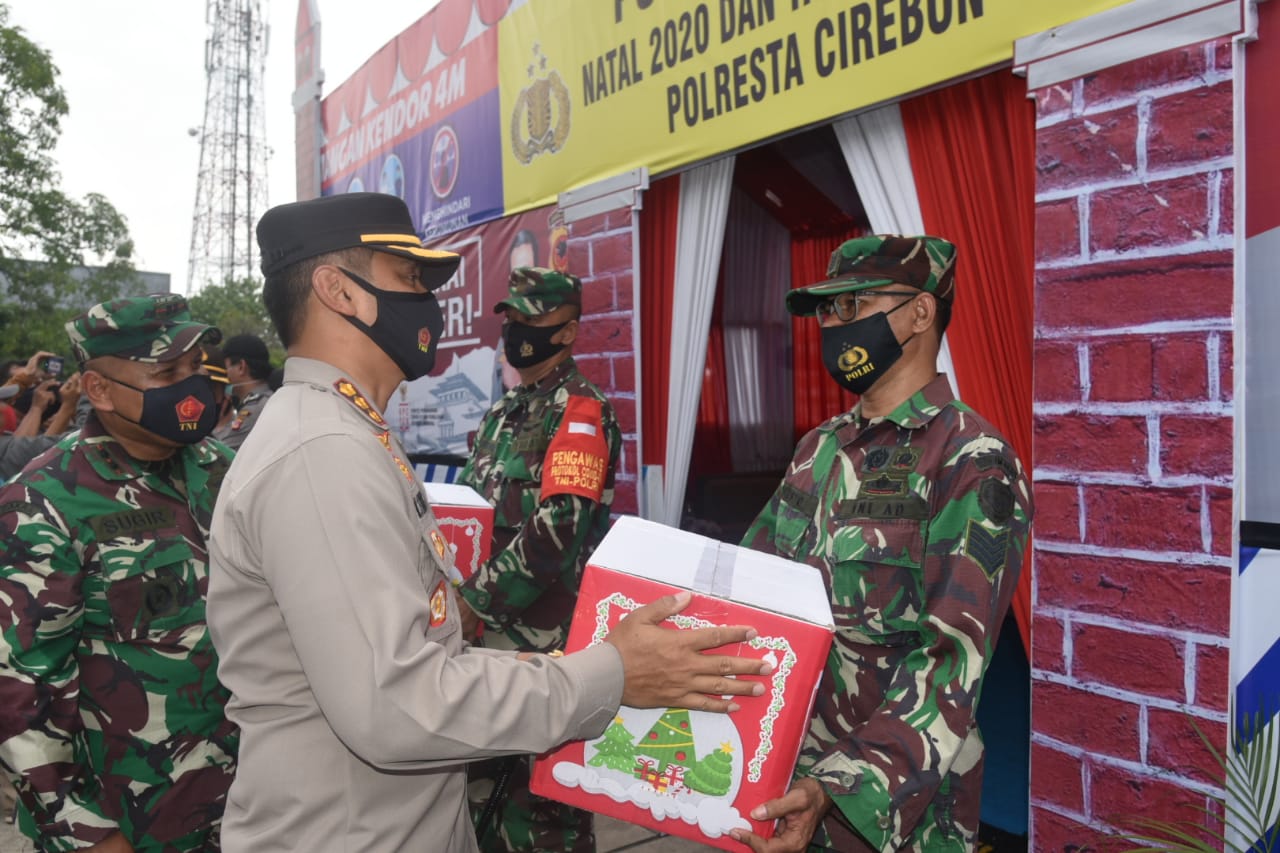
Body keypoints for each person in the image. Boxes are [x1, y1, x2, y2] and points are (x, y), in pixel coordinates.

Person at [206, 192, 770, 853]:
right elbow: (399, 702)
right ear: (340, 292)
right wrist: (610, 673)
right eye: (410, 279)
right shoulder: (321, 453)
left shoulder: (347, 435)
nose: (428, 302)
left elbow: (552, 531)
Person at [730, 236, 1033, 853]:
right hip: (783, 768)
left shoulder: (971, 462)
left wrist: (837, 789)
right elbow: (747, 585)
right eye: (828, 311)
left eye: (854, 305)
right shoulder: (819, 448)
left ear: (919, 314)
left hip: (893, 809)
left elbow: (949, 662)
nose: (835, 325)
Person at [0, 294, 238, 851]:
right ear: (100, 389)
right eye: (167, 373)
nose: (191, 386)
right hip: (130, 821)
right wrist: (87, 834)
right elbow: (18, 689)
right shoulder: (44, 500)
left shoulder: (228, 473)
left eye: (194, 369)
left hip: (252, 805)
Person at [457, 267, 621, 852]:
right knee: (479, 806)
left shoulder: (580, 412)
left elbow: (559, 528)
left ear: (570, 330)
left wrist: (472, 601)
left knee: (542, 816)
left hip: (545, 644)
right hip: (485, 649)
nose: (518, 329)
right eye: (512, 318)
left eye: (533, 320)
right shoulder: (502, 415)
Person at [212, 333, 274, 449]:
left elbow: (222, 452)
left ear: (241, 367)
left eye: (226, 368)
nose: (225, 375)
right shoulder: (268, 399)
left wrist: (220, 424)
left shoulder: (254, 409)